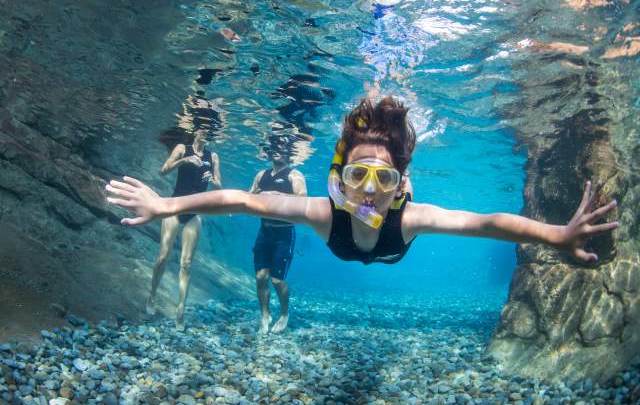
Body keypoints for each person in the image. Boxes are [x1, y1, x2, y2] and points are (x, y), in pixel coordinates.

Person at [106, 97, 619, 286]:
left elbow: (484, 222)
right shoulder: (324, 212)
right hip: (352, 233)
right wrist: (166, 204)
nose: (369, 192)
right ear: (339, 182)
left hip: (395, 233)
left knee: (425, 205)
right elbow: (241, 199)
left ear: (400, 189)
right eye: (357, 177)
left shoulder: (409, 216)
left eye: (385, 179)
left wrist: (555, 235)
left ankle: (392, 168)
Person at [146, 128, 221, 331]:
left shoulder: (213, 156)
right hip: (175, 206)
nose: (205, 133)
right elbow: (164, 170)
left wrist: (212, 179)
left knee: (186, 263)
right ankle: (152, 295)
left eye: (209, 131)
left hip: (195, 212)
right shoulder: (182, 148)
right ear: (195, 131)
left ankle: (180, 310)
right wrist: (183, 161)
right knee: (163, 255)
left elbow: (218, 186)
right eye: (202, 130)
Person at [248, 143, 307, 333]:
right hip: (264, 231)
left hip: (284, 233)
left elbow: (303, 199)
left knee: (276, 280)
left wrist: (277, 194)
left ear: (289, 152)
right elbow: (248, 196)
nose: (278, 151)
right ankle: (265, 315)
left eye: (283, 148)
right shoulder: (261, 175)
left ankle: (284, 314)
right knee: (260, 277)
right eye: (276, 148)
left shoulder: (294, 175)